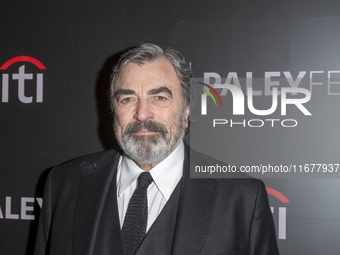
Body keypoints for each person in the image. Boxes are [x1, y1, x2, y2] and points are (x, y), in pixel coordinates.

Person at [34, 43, 279, 255]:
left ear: (186, 111)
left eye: (159, 97)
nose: (141, 114)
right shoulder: (64, 184)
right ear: (113, 110)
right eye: (127, 99)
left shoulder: (242, 198)